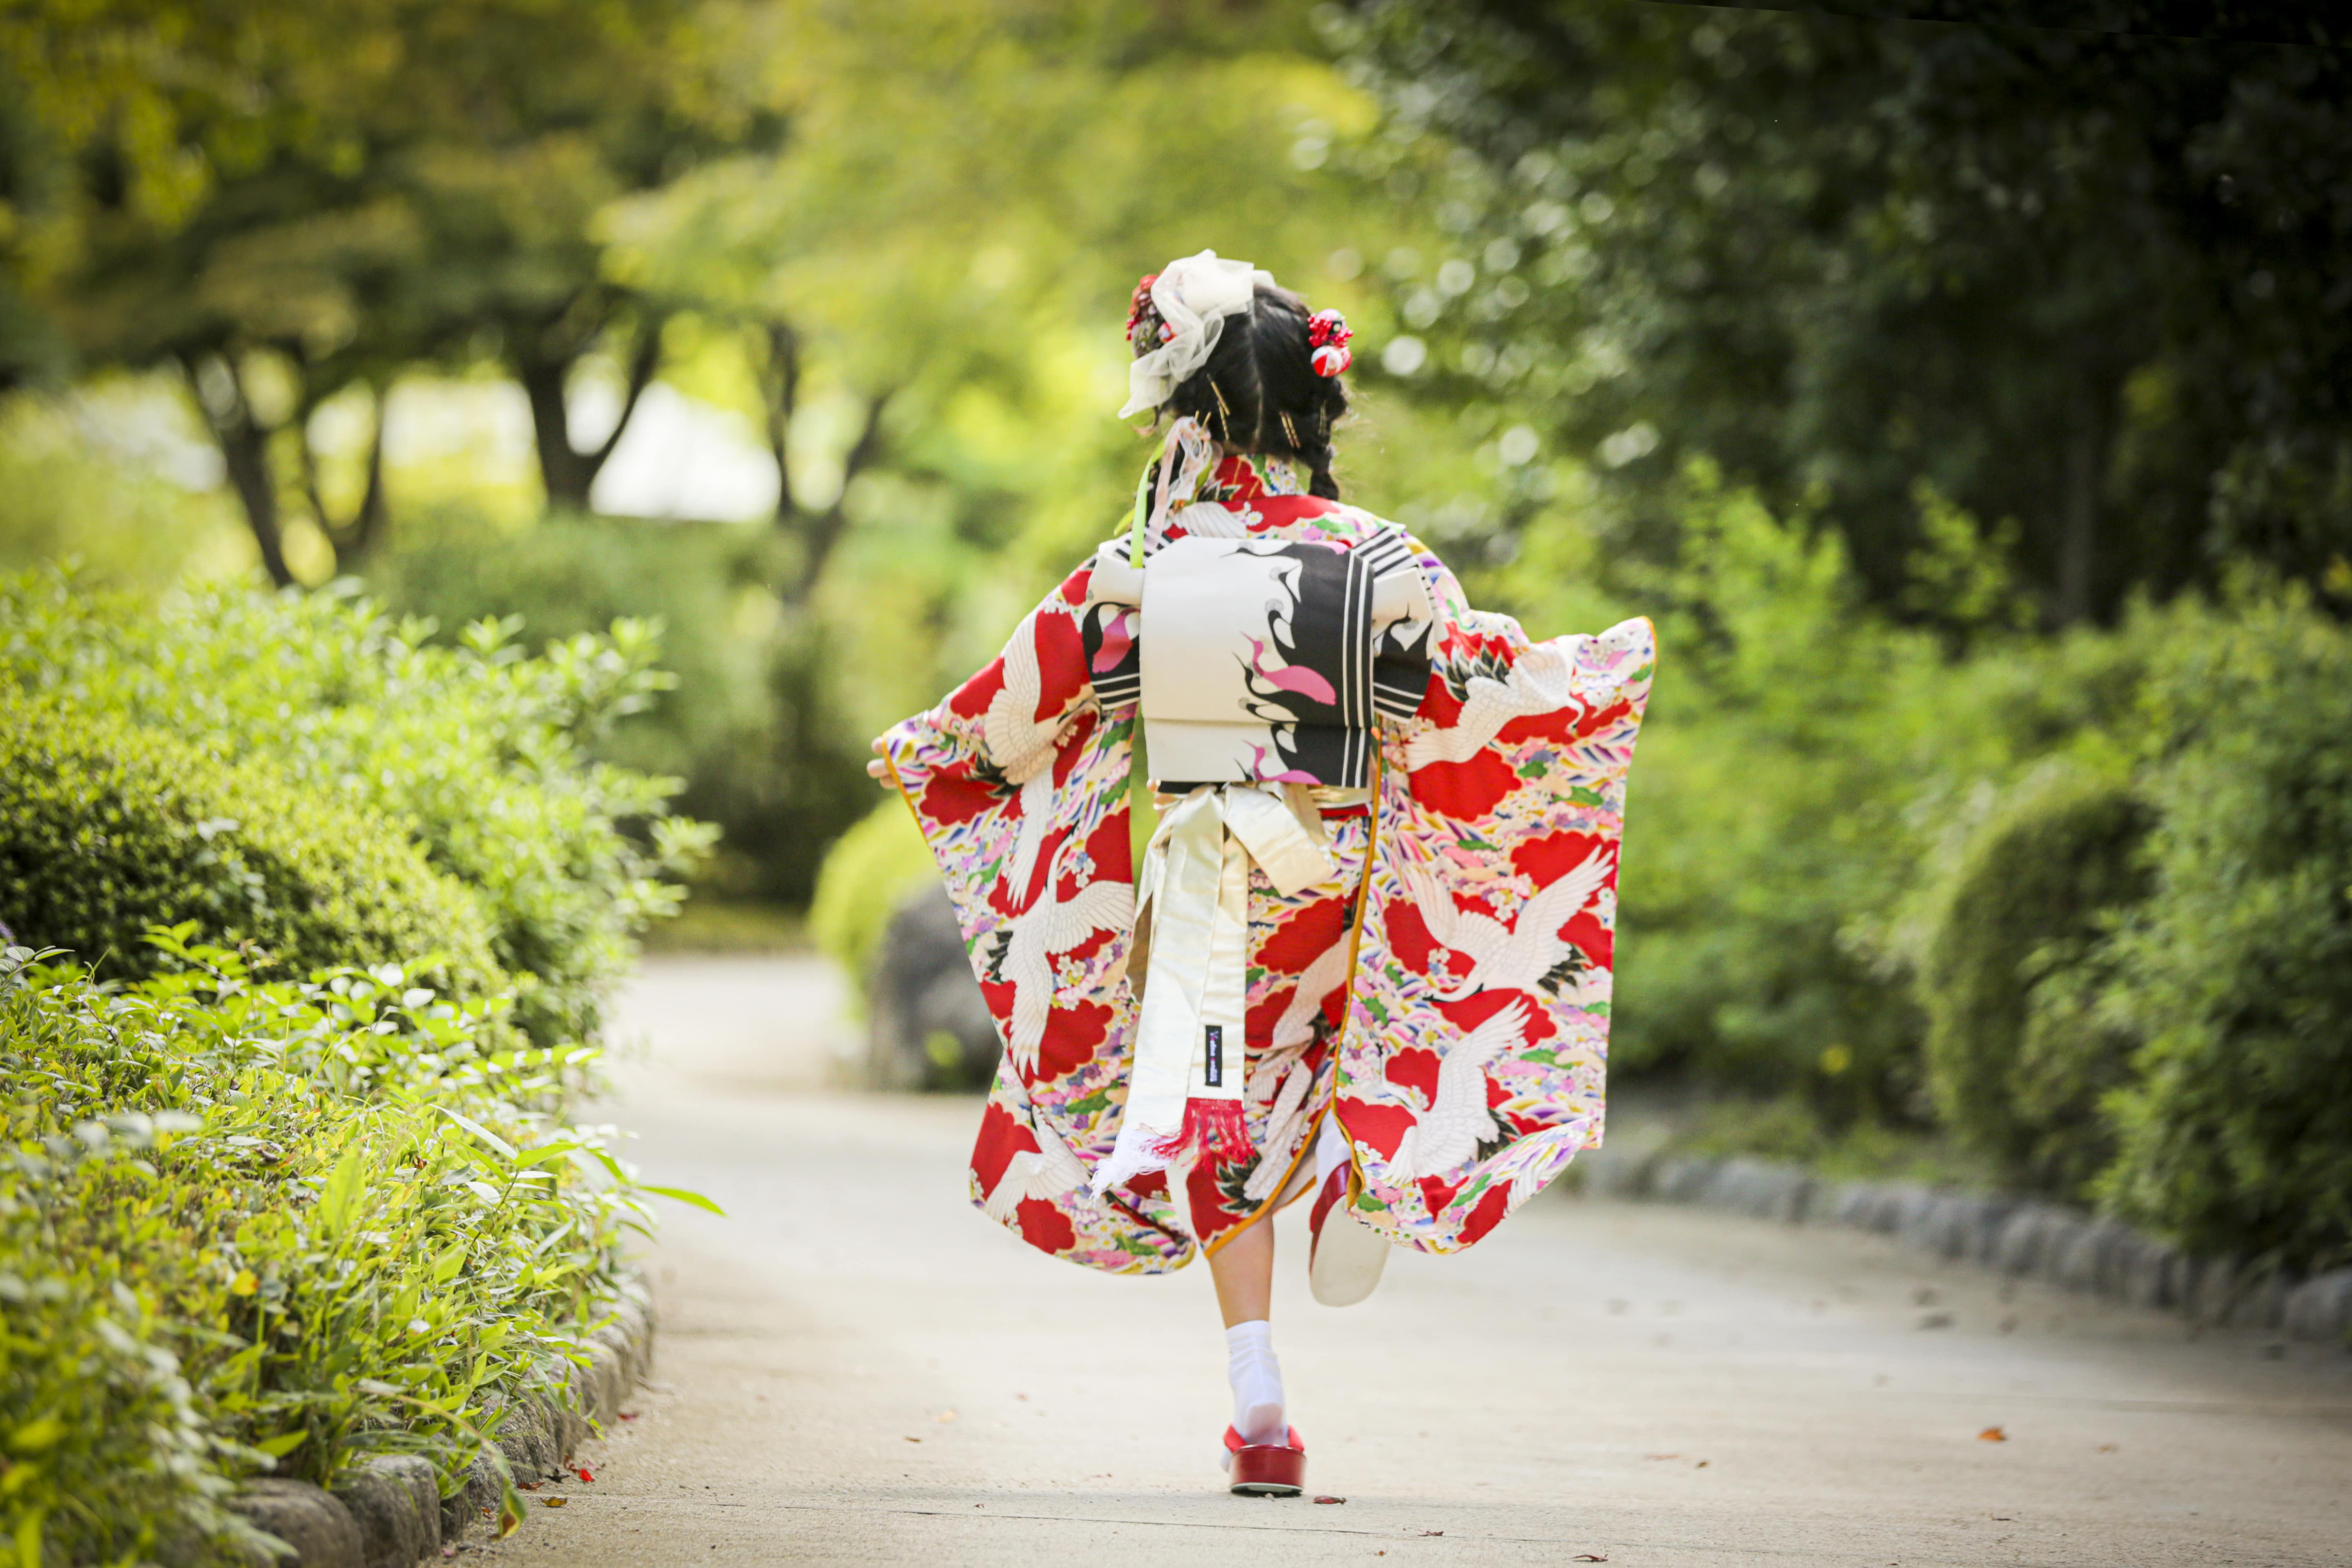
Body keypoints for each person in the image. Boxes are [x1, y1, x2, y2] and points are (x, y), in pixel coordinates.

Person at [868, 250, 1653, 1497]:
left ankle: (1260, 1395)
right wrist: (1593, 677)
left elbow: (1021, 704)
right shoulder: (1381, 560)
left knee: (1216, 1115)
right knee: (1366, 1029)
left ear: (1189, 410)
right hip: (1339, 876)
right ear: (1307, 405)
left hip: (1205, 896)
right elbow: (1476, 693)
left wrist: (934, 750)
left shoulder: (1137, 567)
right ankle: (1361, 1163)